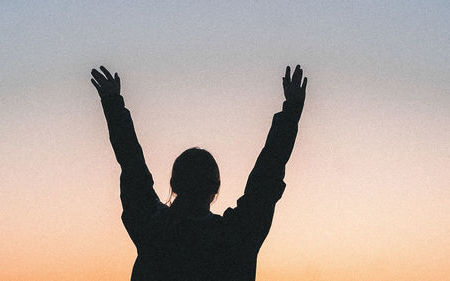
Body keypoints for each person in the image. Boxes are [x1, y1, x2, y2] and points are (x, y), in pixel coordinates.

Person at [90, 64, 307, 281]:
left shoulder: (154, 230)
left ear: (174, 185)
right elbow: (266, 177)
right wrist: (292, 110)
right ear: (215, 188)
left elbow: (132, 165)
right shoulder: (236, 237)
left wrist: (113, 104)